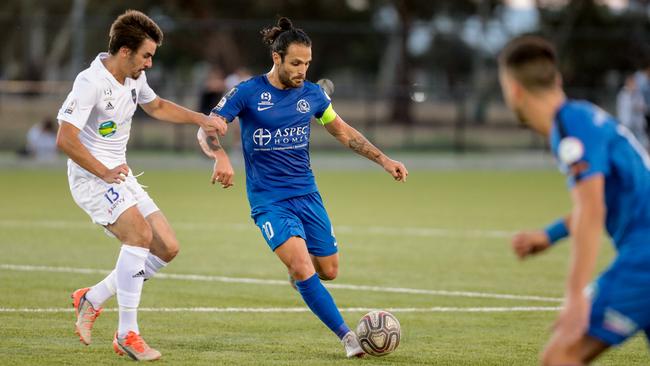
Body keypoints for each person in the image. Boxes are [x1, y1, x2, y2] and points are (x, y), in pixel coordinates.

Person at [196, 17, 408, 358]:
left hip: (307, 196)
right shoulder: (248, 92)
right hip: (269, 201)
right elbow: (207, 127)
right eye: (296, 63)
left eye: (307, 64)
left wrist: (384, 160)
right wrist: (220, 155)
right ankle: (347, 337)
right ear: (277, 58)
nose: (302, 70)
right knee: (301, 266)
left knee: (330, 271)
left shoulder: (312, 96)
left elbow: (343, 131)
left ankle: (301, 278)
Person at [56, 10, 226, 361]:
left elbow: (158, 106)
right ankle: (126, 334)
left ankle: (93, 297)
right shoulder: (90, 82)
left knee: (167, 247)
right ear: (124, 51)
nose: (149, 63)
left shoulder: (133, 79)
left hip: (120, 175)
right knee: (139, 237)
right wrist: (103, 171)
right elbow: (65, 139)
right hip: (92, 177)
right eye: (146, 55)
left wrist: (202, 119)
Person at [499, 35, 650, 366]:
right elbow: (601, 199)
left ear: (514, 90)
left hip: (645, 259)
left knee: (560, 357)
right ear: (557, 79)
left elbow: (592, 208)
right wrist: (549, 235)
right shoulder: (582, 117)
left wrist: (575, 298)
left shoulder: (569, 126)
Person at [617, 74, 649, 150]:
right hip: (626, 124)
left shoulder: (638, 94)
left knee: (643, 143)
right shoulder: (623, 94)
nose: (634, 85)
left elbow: (643, 107)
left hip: (637, 124)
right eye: (632, 83)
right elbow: (626, 108)